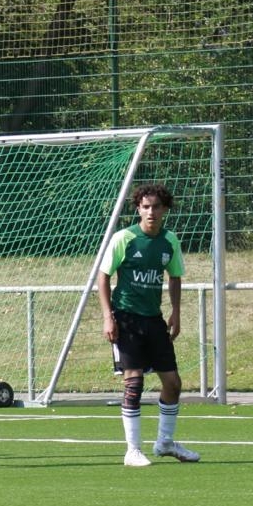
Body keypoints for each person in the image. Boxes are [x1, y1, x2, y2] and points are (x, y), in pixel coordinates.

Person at [95, 182, 201, 467]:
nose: (151, 212)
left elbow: (175, 276)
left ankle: (165, 442)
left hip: (154, 320)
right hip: (126, 318)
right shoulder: (124, 238)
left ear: (165, 209)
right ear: (138, 209)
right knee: (134, 381)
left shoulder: (170, 240)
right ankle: (132, 450)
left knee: (173, 383)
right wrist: (108, 316)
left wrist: (176, 312)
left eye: (156, 207)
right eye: (145, 207)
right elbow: (103, 276)